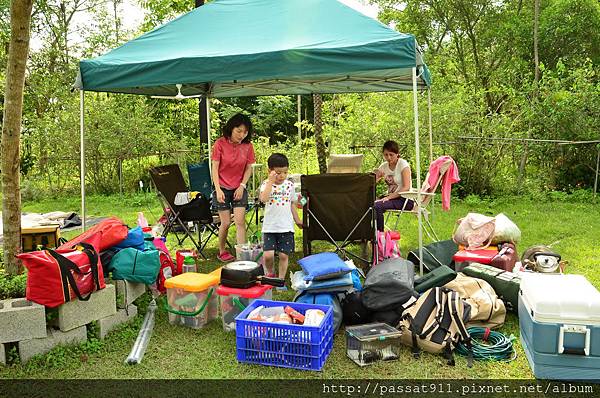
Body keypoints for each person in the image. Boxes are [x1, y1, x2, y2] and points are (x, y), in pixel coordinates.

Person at [211, 113, 255, 262]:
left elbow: (249, 168)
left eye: (245, 132)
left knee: (240, 221)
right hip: (221, 186)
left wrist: (242, 186)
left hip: (239, 187)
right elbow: (214, 168)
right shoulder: (220, 144)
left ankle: (242, 254)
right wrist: (217, 190)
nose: (242, 135)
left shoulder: (248, 146)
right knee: (226, 222)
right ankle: (222, 251)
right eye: (239, 131)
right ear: (231, 128)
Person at [258, 153, 302, 291]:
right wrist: (270, 181)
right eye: (278, 173)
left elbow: (294, 203)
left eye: (285, 172)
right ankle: (270, 274)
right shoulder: (266, 184)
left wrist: (297, 220)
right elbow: (263, 199)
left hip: (286, 227)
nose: (282, 175)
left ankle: (281, 280)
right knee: (268, 255)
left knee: (283, 255)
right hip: (270, 227)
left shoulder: (289, 185)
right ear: (269, 171)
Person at [373, 140, 414, 231]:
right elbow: (371, 182)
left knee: (377, 206)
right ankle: (369, 235)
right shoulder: (383, 166)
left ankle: (380, 237)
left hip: (405, 199)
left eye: (391, 154)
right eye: (386, 155)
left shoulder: (403, 165)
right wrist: (376, 177)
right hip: (391, 198)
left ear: (397, 154)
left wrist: (389, 197)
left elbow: (406, 187)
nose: (389, 157)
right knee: (368, 204)